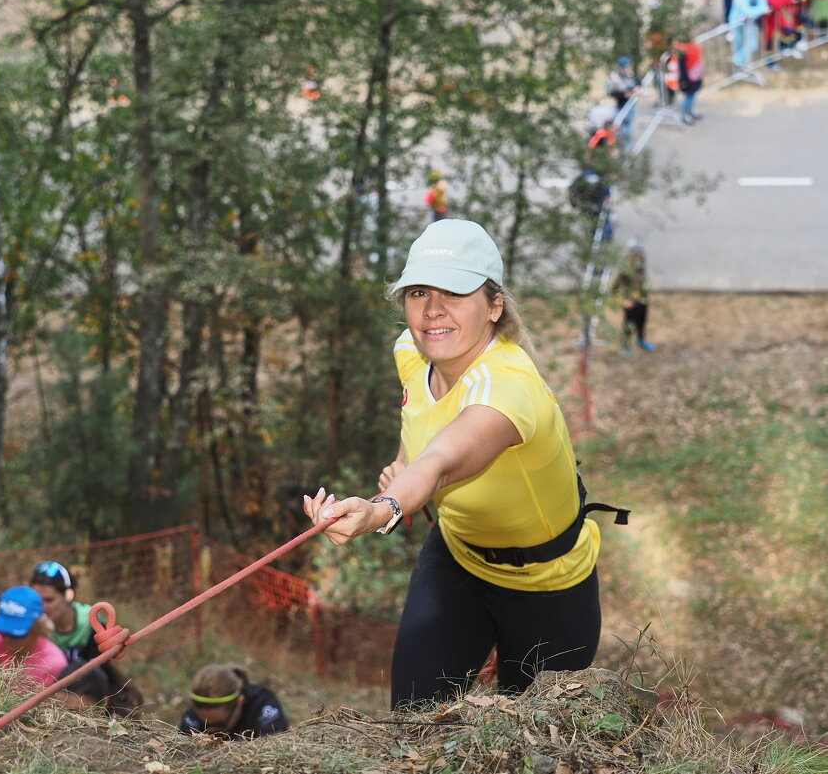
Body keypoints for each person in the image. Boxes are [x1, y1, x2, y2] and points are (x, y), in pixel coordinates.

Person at [304, 219, 626, 709]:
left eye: (454, 293)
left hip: (548, 588)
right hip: (458, 560)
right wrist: (400, 468)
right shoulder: (411, 351)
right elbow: (420, 438)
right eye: (417, 293)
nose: (432, 310)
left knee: (534, 747)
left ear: (494, 306)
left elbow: (440, 461)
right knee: (413, 723)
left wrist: (380, 510)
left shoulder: (507, 388)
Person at [29, 560, 144, 711]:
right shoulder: (30, 624)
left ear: (68, 595)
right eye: (37, 600)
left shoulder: (91, 622)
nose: (42, 607)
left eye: (49, 600)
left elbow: (99, 672)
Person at [0, 585, 67, 688]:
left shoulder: (52, 663)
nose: (6, 638)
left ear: (37, 627)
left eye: (15, 634)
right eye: (3, 631)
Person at [179, 664, 289, 740]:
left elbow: (275, 742)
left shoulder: (262, 705)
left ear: (239, 702)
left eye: (219, 724)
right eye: (205, 724)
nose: (211, 730)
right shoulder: (192, 716)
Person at [612, 238, 656, 355]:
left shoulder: (641, 261)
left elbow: (641, 278)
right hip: (630, 301)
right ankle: (625, 345)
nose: (643, 253)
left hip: (642, 298)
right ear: (633, 253)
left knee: (641, 320)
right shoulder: (625, 267)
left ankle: (641, 340)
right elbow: (614, 288)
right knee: (629, 324)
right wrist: (622, 301)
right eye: (640, 251)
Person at [729, 0, 771, 70]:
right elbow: (748, 11)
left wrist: (758, 10)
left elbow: (764, 4)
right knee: (738, 43)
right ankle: (739, 63)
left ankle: (738, 61)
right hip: (737, 23)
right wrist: (761, 10)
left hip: (749, 23)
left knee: (752, 45)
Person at [604, 57, 640, 141]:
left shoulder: (630, 75)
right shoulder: (615, 78)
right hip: (622, 105)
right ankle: (620, 144)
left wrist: (637, 88)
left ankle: (626, 144)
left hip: (631, 105)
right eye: (627, 67)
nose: (628, 68)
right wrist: (624, 94)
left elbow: (637, 83)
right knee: (620, 126)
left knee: (629, 126)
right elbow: (611, 92)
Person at [674, 39, 704, 123]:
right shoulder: (682, 49)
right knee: (689, 97)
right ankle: (685, 114)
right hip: (688, 79)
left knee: (692, 96)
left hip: (695, 77)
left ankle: (690, 111)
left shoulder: (694, 45)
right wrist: (684, 80)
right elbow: (682, 67)